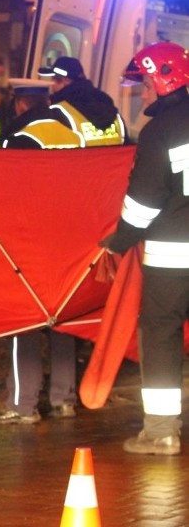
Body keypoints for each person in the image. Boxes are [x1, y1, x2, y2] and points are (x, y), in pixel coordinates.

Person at [0, 79, 96, 426]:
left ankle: (23, 404)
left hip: (31, 241)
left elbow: (6, 190)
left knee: (25, 323)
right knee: (62, 319)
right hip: (70, 238)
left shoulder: (20, 136)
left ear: (18, 103)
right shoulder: (70, 129)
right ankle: (64, 399)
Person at [103, 41, 189, 455]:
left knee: (160, 336)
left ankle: (160, 432)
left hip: (172, 260)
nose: (141, 92)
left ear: (161, 80)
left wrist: (117, 241)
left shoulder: (160, 132)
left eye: (144, 83)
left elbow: (143, 203)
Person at [38, 56, 126, 147]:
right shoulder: (107, 104)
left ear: (65, 81)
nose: (52, 86)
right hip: (112, 160)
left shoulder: (59, 110)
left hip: (76, 160)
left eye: (53, 80)